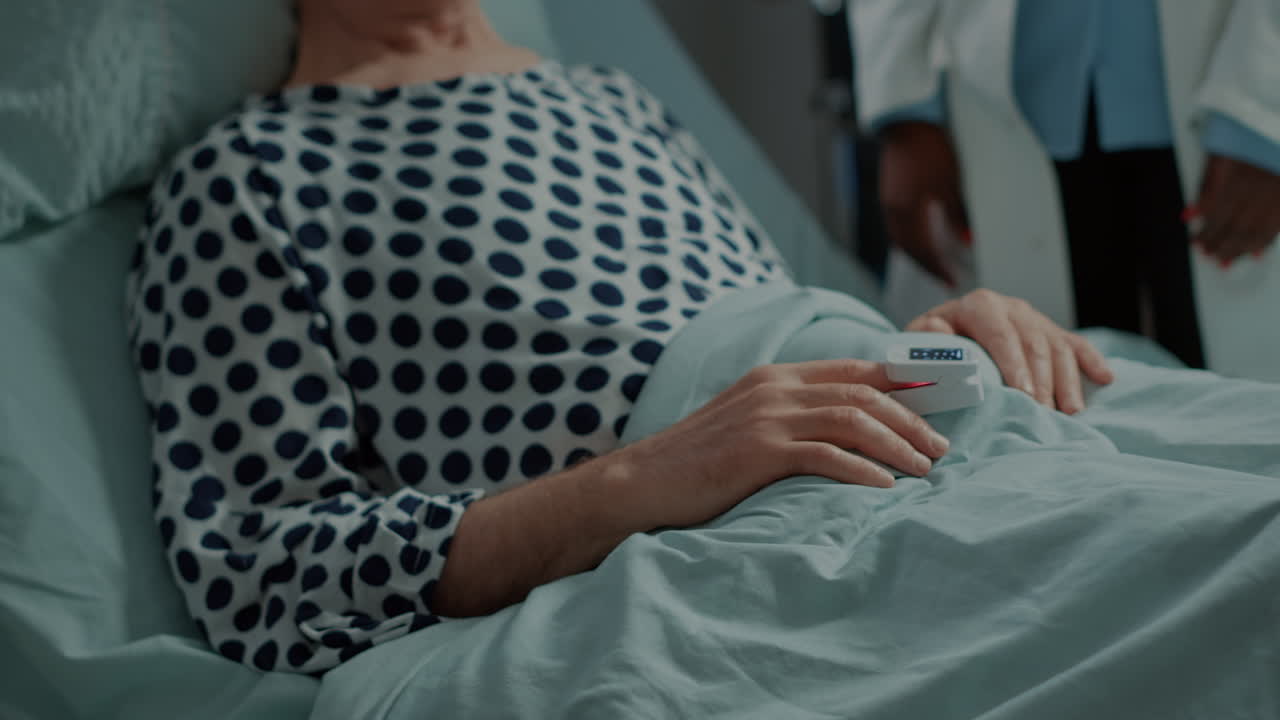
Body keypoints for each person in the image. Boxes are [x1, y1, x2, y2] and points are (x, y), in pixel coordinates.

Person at [127, 0, 1113, 674]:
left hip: (923, 417)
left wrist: (929, 343)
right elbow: (260, 574)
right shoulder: (245, 174)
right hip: (753, 526)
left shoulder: (613, 99)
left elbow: (777, 346)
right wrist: (642, 476)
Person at [851, 0, 1280, 376]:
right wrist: (905, 111)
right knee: (1035, 399)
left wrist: (1263, 114)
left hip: (1221, 103)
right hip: (998, 106)